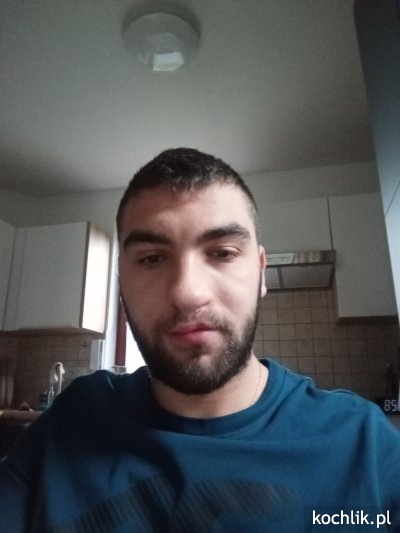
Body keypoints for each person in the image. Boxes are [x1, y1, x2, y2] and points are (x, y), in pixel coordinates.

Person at [1, 148, 400, 532]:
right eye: (152, 258)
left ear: (261, 272)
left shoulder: (364, 445)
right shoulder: (71, 423)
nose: (188, 293)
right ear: (122, 281)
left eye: (223, 253)